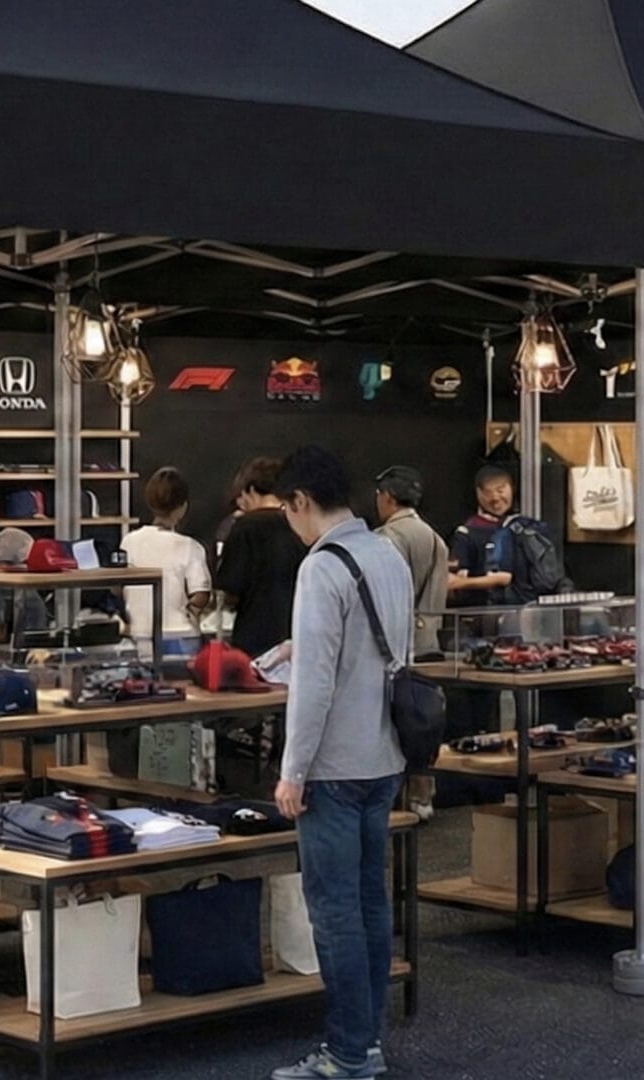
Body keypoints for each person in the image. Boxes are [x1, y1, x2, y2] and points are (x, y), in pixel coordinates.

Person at [271, 446, 408, 1080]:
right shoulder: (388, 553)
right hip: (384, 755)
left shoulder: (321, 567)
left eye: (286, 510)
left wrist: (292, 771)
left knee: (334, 913)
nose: (288, 522)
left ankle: (349, 1053)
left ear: (301, 501)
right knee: (371, 903)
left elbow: (314, 685)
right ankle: (367, 1041)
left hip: (331, 767)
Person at [374, 466, 448, 822]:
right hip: (429, 641)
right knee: (423, 722)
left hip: (396, 646)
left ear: (387, 497)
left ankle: (393, 799)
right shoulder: (435, 538)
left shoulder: (387, 538)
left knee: (393, 724)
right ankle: (422, 795)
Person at [217, 457, 307, 659]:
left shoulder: (244, 527)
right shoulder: (301, 525)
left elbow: (230, 590)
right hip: (297, 636)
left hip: (253, 638)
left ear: (250, 490)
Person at [120, 467, 211, 658]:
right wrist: (192, 611)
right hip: (180, 634)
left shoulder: (129, 542)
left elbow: (118, 588)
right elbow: (201, 594)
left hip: (141, 633)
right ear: (183, 507)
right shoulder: (190, 547)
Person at [446, 466, 515, 605]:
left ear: (512, 489)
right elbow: (457, 582)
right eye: (488, 492)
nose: (495, 498)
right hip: (483, 608)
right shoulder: (466, 533)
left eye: (500, 490)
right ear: (479, 493)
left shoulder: (523, 527)